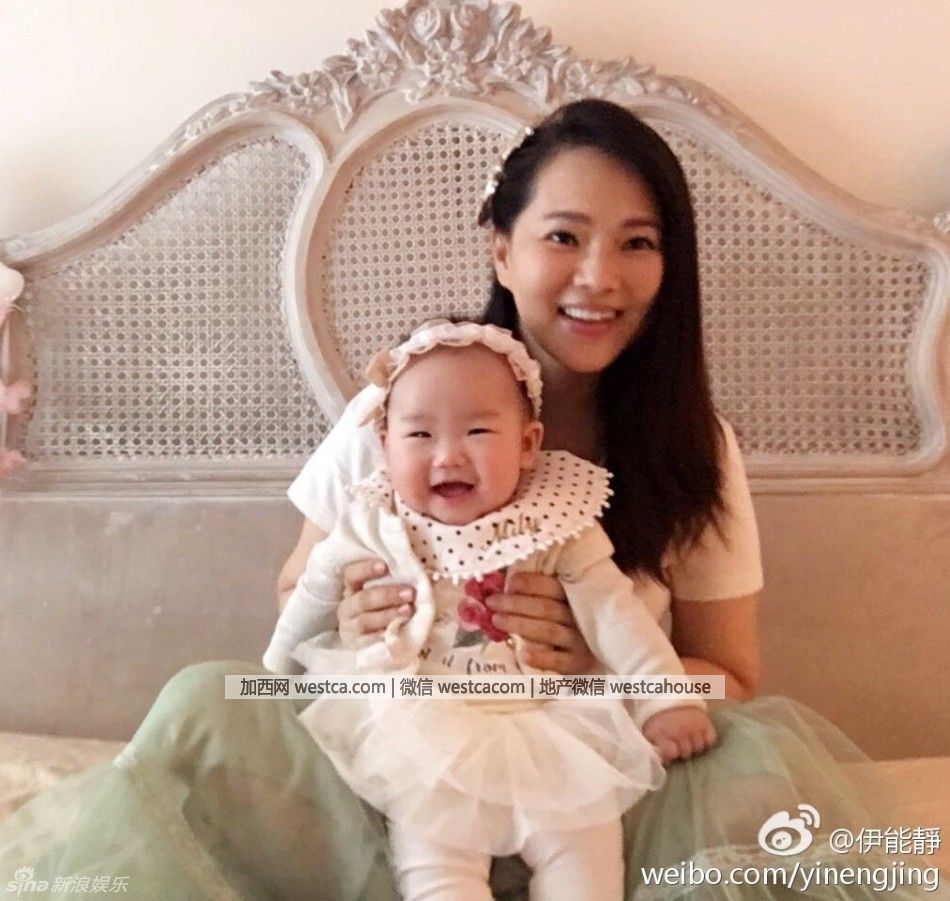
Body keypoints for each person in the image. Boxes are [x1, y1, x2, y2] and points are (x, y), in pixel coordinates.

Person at [0, 99, 927, 900]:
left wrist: (592, 668)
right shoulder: (399, 409)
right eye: (563, 236)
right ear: (501, 247)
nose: (599, 276)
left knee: (757, 775)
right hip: (395, 763)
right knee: (205, 705)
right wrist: (352, 617)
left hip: (608, 786)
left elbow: (731, 675)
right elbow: (296, 591)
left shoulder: (693, 444)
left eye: (637, 244)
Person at [263, 319, 717, 900]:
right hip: (421, 730)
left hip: (551, 722)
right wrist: (274, 678)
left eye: (477, 430)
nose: (448, 455)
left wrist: (667, 698)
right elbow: (312, 593)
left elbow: (617, 614)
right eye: (419, 434)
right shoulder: (372, 523)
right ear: (383, 442)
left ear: (528, 444)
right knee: (436, 867)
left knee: (585, 849)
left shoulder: (556, 524)